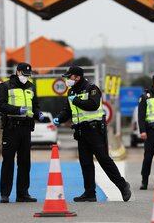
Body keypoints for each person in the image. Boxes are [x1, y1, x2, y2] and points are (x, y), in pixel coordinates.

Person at [53, 66, 131, 202]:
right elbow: (68, 110)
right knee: (86, 163)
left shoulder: (92, 88)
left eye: (69, 77)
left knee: (104, 160)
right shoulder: (71, 92)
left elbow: (93, 105)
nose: (67, 80)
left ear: (77, 77)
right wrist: (59, 118)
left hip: (94, 130)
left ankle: (123, 186)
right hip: (80, 131)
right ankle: (90, 193)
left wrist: (76, 100)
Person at [0, 62, 44, 203]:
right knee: (8, 161)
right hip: (11, 128)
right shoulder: (5, 86)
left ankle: (22, 194)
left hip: (26, 128)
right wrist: (17, 110)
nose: (26, 77)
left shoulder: (31, 87)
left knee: (24, 162)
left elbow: (35, 106)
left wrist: (38, 114)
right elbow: (0, 105)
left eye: (28, 75)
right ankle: (5, 194)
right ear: (17, 72)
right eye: (24, 74)